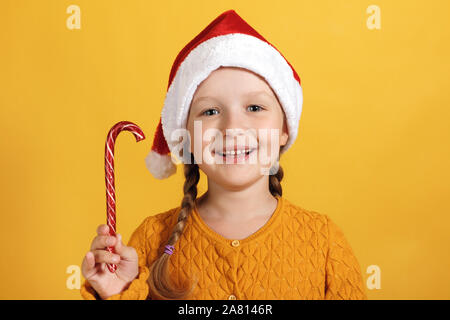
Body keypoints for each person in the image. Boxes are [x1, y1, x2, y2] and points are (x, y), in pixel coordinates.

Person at [80, 9, 367, 300]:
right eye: (211, 111)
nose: (232, 128)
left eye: (254, 108)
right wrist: (117, 293)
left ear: (284, 128)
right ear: (187, 136)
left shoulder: (324, 242)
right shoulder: (152, 241)